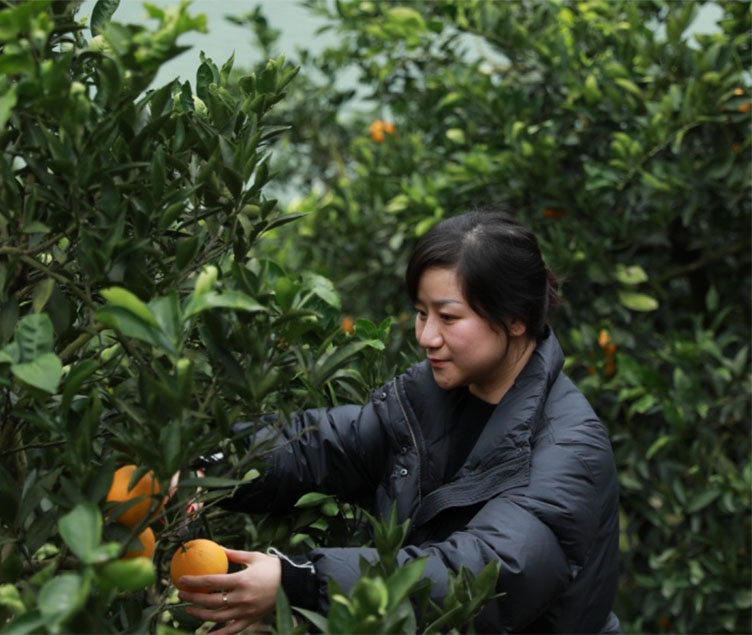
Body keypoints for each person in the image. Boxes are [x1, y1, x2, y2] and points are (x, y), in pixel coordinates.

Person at [176, 209, 621, 634]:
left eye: (448, 317)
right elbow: (323, 444)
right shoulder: (431, 395)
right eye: (421, 313)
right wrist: (207, 468)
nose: (426, 337)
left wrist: (302, 581)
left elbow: (483, 576)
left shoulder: (570, 448)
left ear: (515, 319)